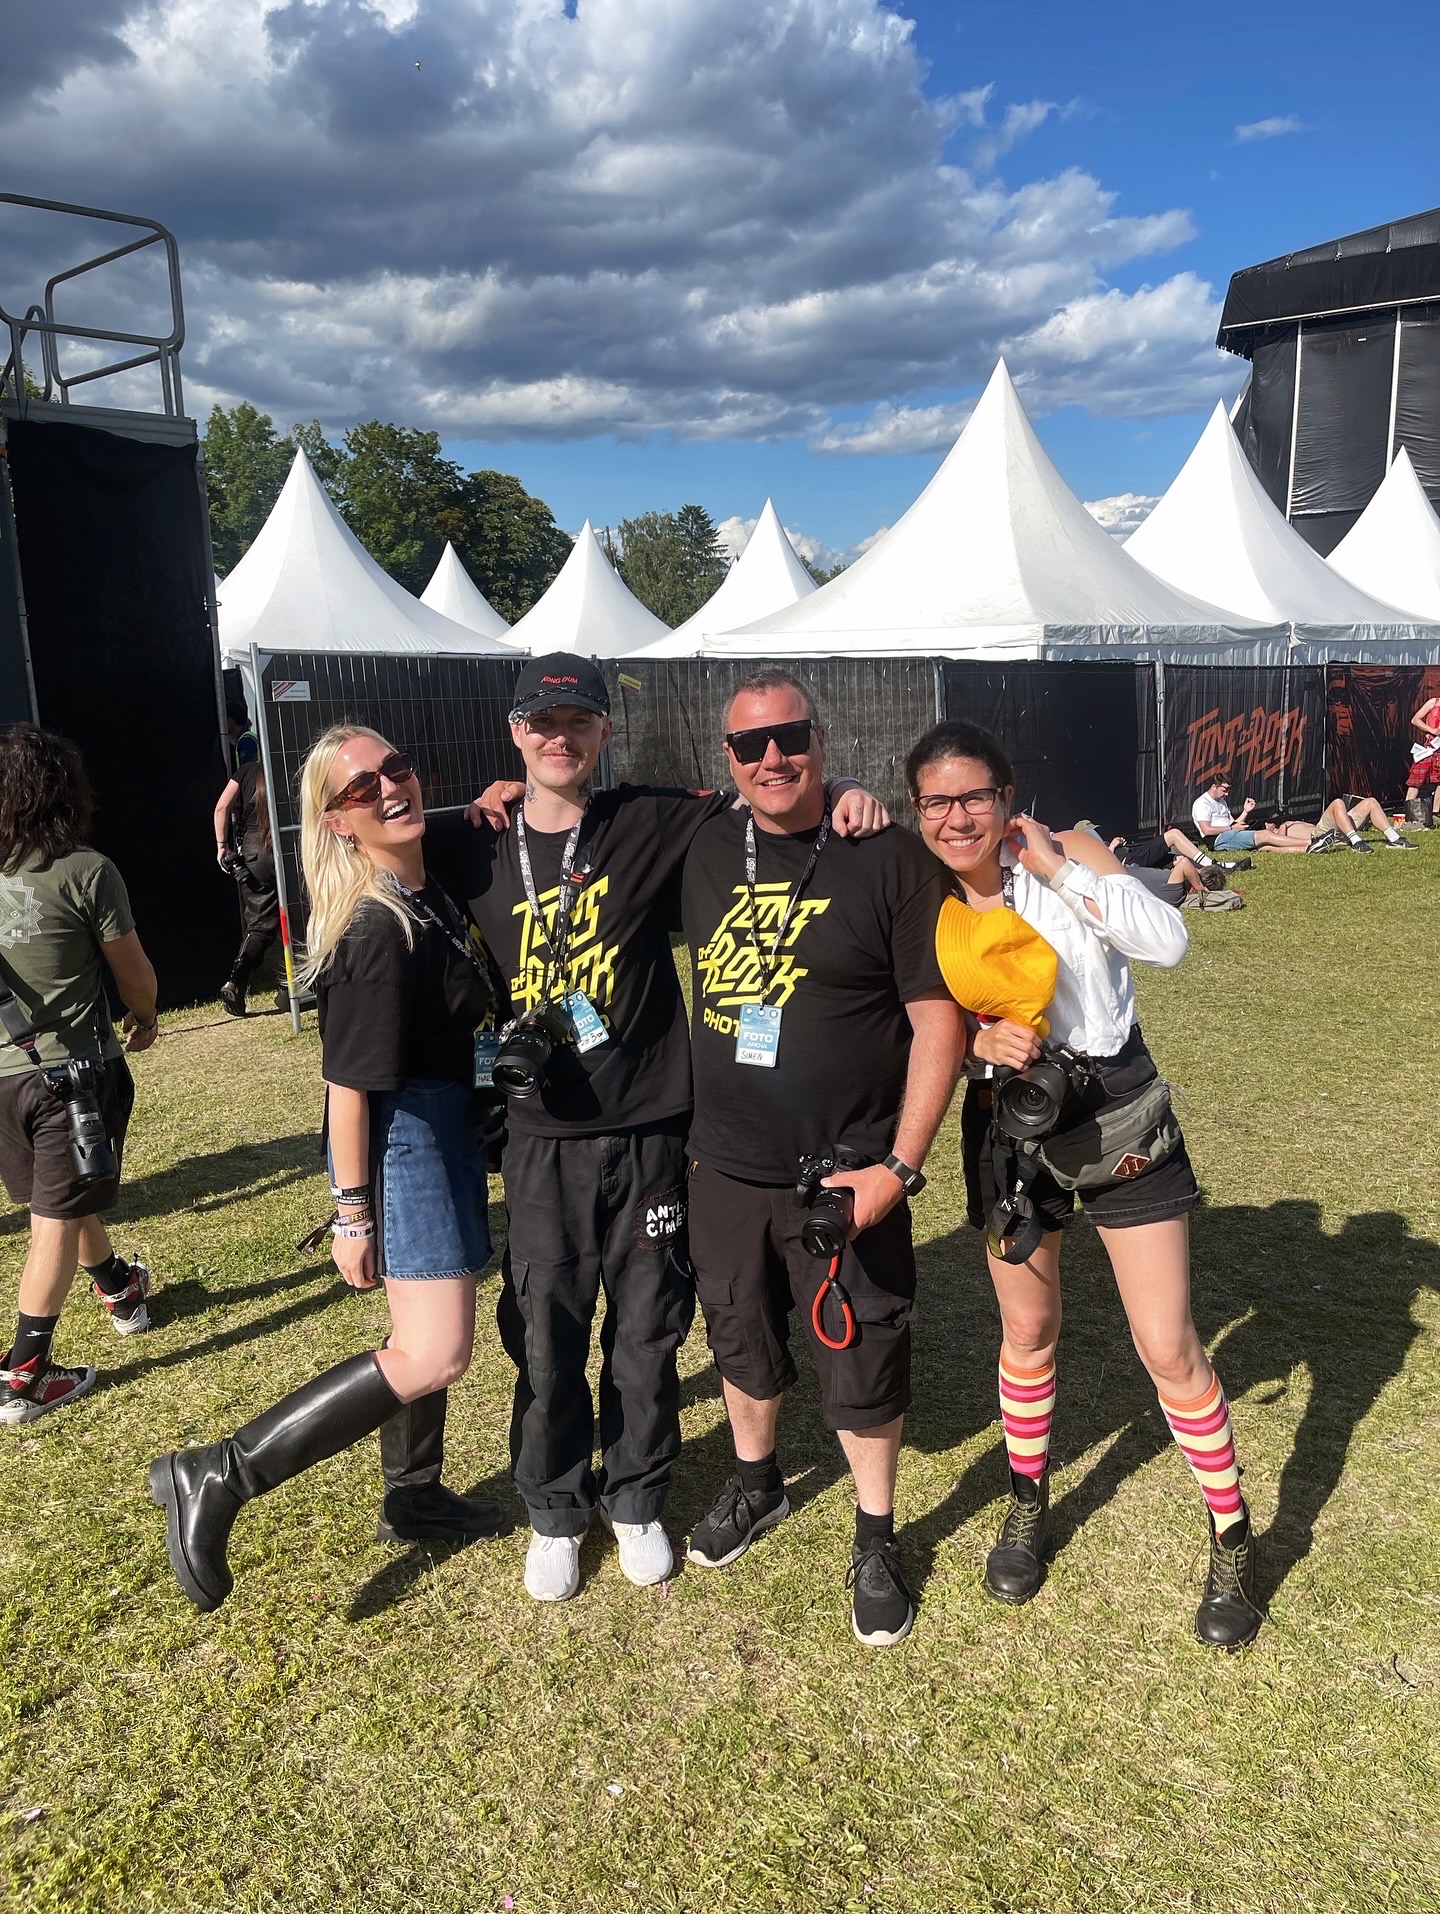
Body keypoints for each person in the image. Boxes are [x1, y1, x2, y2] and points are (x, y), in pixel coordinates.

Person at [431, 653, 889, 1604]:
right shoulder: (470, 841)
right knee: (547, 1333)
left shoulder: (649, 818)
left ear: (605, 732)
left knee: (647, 1328)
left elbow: (772, 790)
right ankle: (555, 1509)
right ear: (516, 733)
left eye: (579, 723)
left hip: (650, 1128)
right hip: (540, 1135)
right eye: (542, 724)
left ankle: (635, 1497)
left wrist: (845, 783)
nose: (560, 739)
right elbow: (371, 843)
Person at [910, 719, 1262, 1649]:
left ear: (1006, 796)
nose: (957, 818)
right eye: (937, 801)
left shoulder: (1065, 849)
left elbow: (1169, 943)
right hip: (1009, 1119)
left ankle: (1232, 1534)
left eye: (975, 796)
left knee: (1167, 1344)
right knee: (1028, 1330)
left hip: (1116, 1109)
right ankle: (1028, 1500)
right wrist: (976, 1040)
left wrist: (1062, 870)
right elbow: (914, 1012)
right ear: (918, 810)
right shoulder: (923, 892)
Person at [150, 725, 507, 1613]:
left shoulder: (421, 882)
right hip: (404, 1143)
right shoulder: (376, 928)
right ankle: (219, 1472)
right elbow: (346, 1089)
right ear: (337, 821)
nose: (389, 789)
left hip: (444, 1129)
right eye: (360, 789)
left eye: (397, 769)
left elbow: (451, 822)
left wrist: (493, 798)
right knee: (435, 1352)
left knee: (416, 1337)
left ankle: (414, 1495)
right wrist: (352, 1214)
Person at [679, 669, 964, 1649]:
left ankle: (876, 1536)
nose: (772, 758)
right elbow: (581, 818)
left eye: (790, 737)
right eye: (749, 745)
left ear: (821, 738)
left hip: (846, 1172)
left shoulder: (887, 857)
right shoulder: (701, 842)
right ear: (725, 758)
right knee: (739, 1336)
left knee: (863, 1355)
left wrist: (901, 1168)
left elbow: (937, 1023)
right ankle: (757, 1484)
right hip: (722, 1163)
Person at [0, 725, 159, 1424]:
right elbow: (136, 977)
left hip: (3, 1081)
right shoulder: (86, 870)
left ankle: (119, 1287)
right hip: (72, 1077)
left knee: (60, 1198)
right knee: (53, 1222)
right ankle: (24, 1378)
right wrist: (145, 1017)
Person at [213, 697, 287, 1015]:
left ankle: (237, 982)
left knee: (259, 924)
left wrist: (222, 847)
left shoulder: (244, 771)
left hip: (254, 857)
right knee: (297, 914)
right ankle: (291, 985)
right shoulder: (287, 769)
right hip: (284, 851)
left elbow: (221, 807)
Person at [1192, 775, 1412, 856]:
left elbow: (1234, 824)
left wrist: (1245, 814)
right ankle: (1327, 843)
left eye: (1228, 790)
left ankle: (1394, 838)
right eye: (1224, 790)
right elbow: (1207, 830)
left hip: (1334, 830)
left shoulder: (1221, 802)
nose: (1227, 794)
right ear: (1214, 786)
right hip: (1219, 839)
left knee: (1370, 801)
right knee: (1266, 839)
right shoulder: (1202, 803)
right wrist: (1233, 828)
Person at [1403, 694, 1440, 829]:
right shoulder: (1434, 702)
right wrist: (1432, 730)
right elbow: (1415, 720)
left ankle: (1435, 813)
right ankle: (1409, 811)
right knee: (1416, 779)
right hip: (1431, 746)